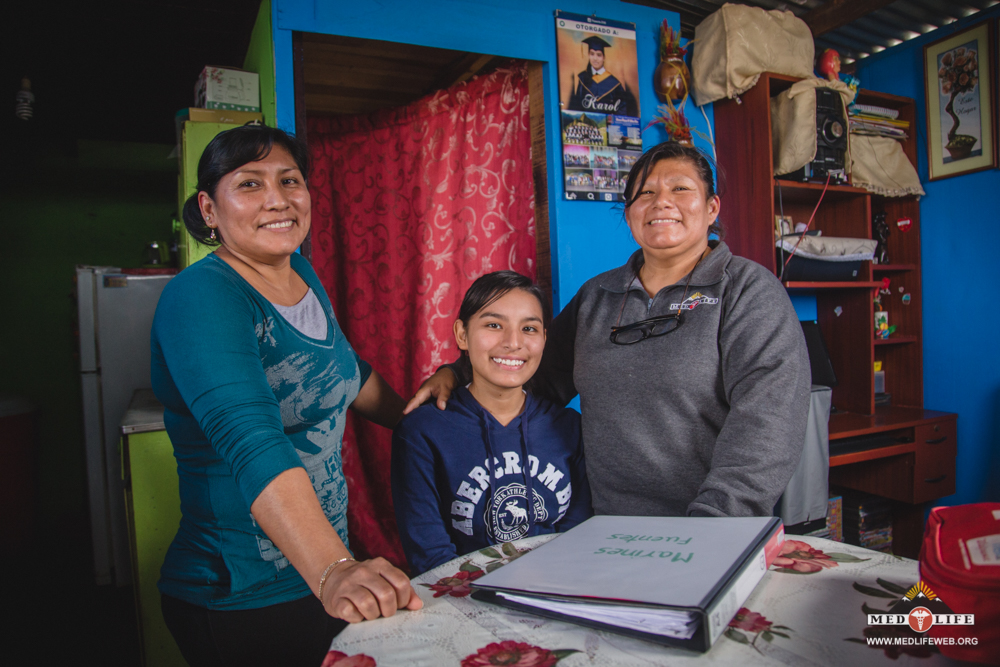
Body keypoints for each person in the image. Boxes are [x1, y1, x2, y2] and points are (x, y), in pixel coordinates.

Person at [406, 141, 811, 520]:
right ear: (629, 210)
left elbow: (767, 427)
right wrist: (456, 373)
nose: (662, 202)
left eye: (680, 188)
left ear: (711, 208)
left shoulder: (746, 291)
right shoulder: (598, 296)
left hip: (712, 528)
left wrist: (711, 528)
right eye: (645, 193)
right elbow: (531, 370)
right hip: (603, 529)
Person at [151, 125, 422, 667]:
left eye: (289, 180)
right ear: (209, 208)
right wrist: (335, 569)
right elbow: (250, 438)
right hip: (240, 590)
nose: (277, 199)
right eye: (249, 184)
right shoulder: (203, 295)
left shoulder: (298, 269)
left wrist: (426, 416)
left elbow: (347, 372)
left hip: (317, 569)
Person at [391, 272, 592, 575]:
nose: (513, 342)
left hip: (554, 592)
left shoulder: (569, 428)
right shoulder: (422, 432)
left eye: (529, 328)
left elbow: (577, 538)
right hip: (460, 602)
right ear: (462, 334)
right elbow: (431, 555)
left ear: (545, 339)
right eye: (494, 325)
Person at [567, 35, 638, 117]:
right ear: (588, 55)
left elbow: (622, 111)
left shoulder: (614, 84)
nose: (595, 58)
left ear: (604, 57)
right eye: (592, 54)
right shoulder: (583, 78)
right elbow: (576, 108)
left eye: (599, 55)